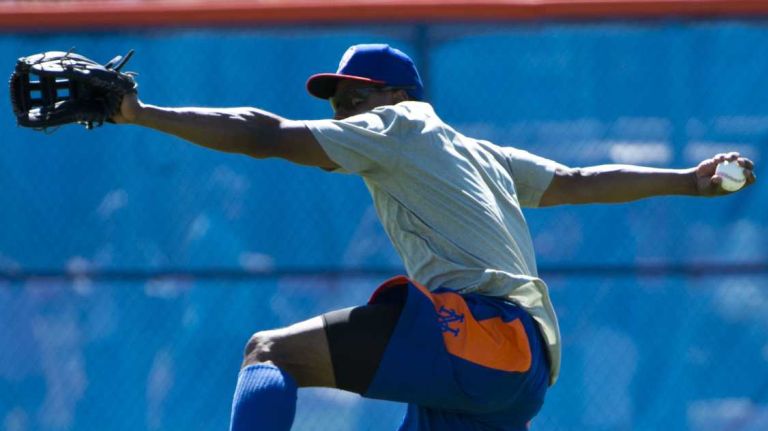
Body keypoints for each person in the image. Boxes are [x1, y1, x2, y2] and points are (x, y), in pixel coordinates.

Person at [112, 44, 756, 430]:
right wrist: (688, 182)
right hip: (519, 370)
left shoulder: (399, 125)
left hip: (485, 335)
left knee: (270, 354)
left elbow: (261, 134)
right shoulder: (477, 152)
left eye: (351, 96)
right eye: (336, 101)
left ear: (396, 95)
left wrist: (139, 113)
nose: (341, 112)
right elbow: (581, 180)